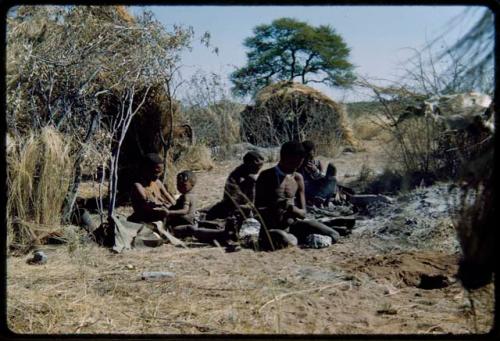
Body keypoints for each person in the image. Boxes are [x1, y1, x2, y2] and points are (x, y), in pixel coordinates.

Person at [255, 141, 340, 251]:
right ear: (284, 157)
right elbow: (257, 208)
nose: (295, 168)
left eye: (298, 164)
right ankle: (298, 238)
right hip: (272, 228)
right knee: (286, 241)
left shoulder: (297, 178)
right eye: (293, 163)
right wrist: (275, 207)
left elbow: (303, 213)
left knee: (334, 235)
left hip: (293, 225)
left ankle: (303, 236)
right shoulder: (267, 176)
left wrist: (290, 208)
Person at [205, 151, 265, 220]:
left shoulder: (248, 173)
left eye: (260, 166)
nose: (259, 168)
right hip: (234, 205)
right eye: (257, 166)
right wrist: (249, 205)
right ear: (249, 164)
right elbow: (232, 198)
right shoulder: (237, 176)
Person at [128, 153, 176, 224]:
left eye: (160, 173)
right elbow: (148, 205)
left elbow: (166, 194)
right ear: (146, 169)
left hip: (159, 213)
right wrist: (165, 209)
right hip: (146, 218)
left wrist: (175, 205)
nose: (158, 175)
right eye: (155, 172)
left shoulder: (157, 182)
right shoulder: (138, 186)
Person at [298, 140, 338, 206]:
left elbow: (324, 179)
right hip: (306, 191)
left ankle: (325, 198)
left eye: (310, 157)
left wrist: (315, 171)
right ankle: (319, 199)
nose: (308, 160)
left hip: (319, 190)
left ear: (314, 152)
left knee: (332, 170)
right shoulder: (299, 165)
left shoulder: (318, 163)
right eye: (306, 156)